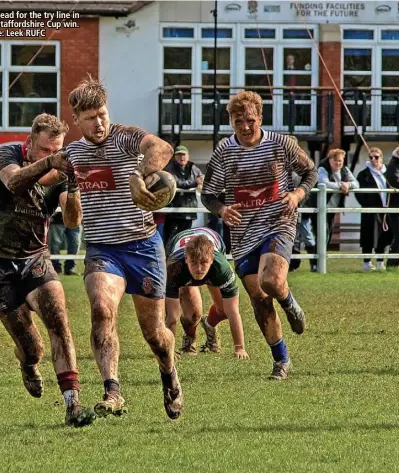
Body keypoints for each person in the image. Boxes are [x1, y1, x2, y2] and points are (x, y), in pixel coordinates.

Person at [65, 76, 183, 420]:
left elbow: (163, 148)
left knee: (156, 336)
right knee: (102, 309)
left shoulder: (126, 136)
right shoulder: (72, 155)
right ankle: (112, 390)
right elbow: (72, 223)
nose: (99, 122)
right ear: (77, 120)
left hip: (143, 248)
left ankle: (169, 373)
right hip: (104, 250)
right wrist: (72, 190)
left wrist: (140, 172)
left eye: (102, 113)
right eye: (90, 117)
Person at [0, 114, 95, 427]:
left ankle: (73, 404)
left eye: (55, 150)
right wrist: (50, 163)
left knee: (59, 321)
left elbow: (72, 222)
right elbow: (15, 180)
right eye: (44, 150)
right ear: (30, 141)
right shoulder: (7, 153)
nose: (49, 156)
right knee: (32, 348)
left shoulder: (57, 174)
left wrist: (72, 185)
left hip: (34, 260)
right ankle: (28, 366)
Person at [201, 90, 317, 380]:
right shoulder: (224, 152)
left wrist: (297, 194)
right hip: (242, 234)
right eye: (238, 121)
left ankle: (292, 306)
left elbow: (311, 173)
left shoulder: (282, 144)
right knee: (260, 298)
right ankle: (281, 360)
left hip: (278, 222)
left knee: (272, 280)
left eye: (250, 120)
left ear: (260, 118)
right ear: (231, 121)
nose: (245, 127)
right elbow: (209, 195)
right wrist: (222, 210)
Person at [164, 226, 248, 359]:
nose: (198, 268)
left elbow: (233, 311)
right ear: (186, 259)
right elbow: (171, 316)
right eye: (194, 262)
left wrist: (240, 348)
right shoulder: (174, 268)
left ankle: (209, 324)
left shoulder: (221, 267)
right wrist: (169, 350)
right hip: (181, 265)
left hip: (213, 250)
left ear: (212, 259)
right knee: (193, 315)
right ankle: (190, 339)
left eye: (203, 263)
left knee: (224, 310)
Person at [355, 147, 391, 271]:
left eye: (376, 157)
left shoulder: (388, 173)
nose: (374, 159)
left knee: (383, 236)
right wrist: (367, 205)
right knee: (368, 236)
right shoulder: (363, 174)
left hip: (385, 210)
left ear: (381, 158)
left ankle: (381, 262)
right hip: (370, 210)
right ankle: (367, 263)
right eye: (371, 157)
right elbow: (358, 193)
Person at [316, 148, 359, 245]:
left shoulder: (344, 169)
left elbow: (356, 184)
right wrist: (341, 185)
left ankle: (321, 259)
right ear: (330, 159)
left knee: (328, 234)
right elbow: (324, 183)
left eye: (340, 160)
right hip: (320, 206)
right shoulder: (323, 168)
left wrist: (348, 185)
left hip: (332, 207)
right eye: (335, 160)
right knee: (322, 234)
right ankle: (317, 259)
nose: (338, 163)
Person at [163, 145, 203, 245]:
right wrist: (195, 182)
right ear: (174, 156)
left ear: (188, 156)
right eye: (179, 155)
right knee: (171, 238)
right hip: (174, 211)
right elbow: (175, 182)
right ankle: (169, 258)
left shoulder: (193, 167)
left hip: (189, 210)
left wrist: (201, 182)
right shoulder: (170, 168)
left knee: (185, 238)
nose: (182, 157)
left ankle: (182, 258)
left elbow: (201, 177)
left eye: (184, 154)